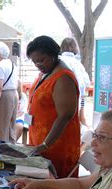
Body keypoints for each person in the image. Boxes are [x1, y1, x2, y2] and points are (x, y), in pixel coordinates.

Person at [26, 36, 80, 178]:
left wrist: (45, 144)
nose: (38, 64)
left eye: (41, 60)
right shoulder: (46, 72)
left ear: (53, 55)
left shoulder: (63, 77)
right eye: (34, 61)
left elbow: (65, 116)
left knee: (55, 186)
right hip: (40, 141)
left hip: (56, 145)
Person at [60, 37, 91, 128]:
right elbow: (87, 82)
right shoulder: (77, 63)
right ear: (75, 48)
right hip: (78, 96)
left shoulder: (59, 60)